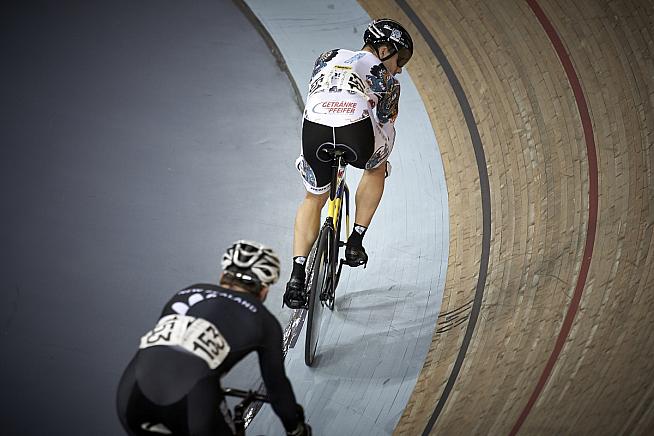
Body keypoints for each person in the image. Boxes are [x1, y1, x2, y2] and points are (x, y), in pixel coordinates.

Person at [116, 240, 311, 436]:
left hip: (131, 394)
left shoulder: (185, 293)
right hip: (193, 401)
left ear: (222, 276)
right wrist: (294, 427)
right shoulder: (265, 321)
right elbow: (276, 387)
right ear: (264, 290)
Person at [283, 19, 414, 309]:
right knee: (377, 166)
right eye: (399, 58)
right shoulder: (387, 78)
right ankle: (355, 241)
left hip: (314, 128)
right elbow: (385, 120)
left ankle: (295, 276)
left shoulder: (326, 57)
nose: (400, 68)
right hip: (354, 131)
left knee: (313, 197)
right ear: (383, 49)